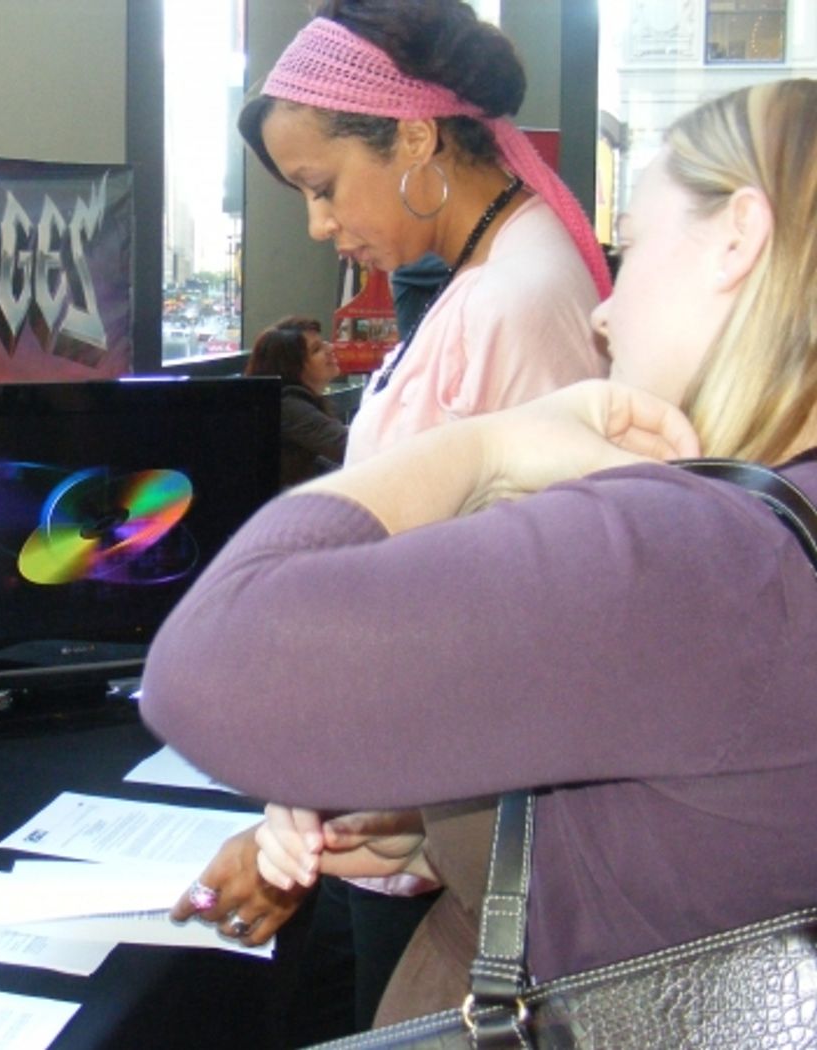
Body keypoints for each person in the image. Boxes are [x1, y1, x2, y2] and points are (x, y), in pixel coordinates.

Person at [144, 77, 817, 1025]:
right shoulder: (763, 537)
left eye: (636, 253)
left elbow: (204, 667)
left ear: (737, 240)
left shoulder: (700, 550)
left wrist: (492, 445)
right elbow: (697, 832)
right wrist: (446, 837)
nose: (603, 312)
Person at [174, 1, 611, 1034]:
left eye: (321, 189)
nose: (320, 227)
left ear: (412, 136)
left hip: (428, 818)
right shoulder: (486, 280)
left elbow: (514, 622)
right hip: (398, 807)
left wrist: (316, 807)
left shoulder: (510, 301)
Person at [244, 319, 347, 488]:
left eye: (323, 343)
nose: (330, 348)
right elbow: (348, 447)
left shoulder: (289, 402)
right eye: (316, 349)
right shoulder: (289, 407)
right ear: (293, 367)